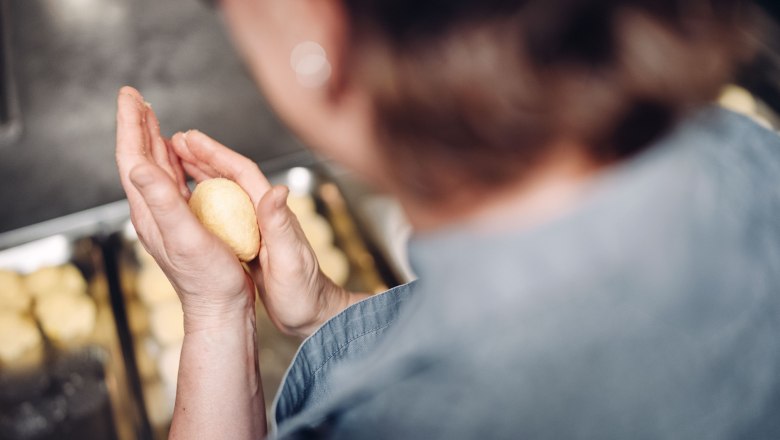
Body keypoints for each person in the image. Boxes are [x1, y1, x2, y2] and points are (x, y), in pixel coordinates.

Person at [115, 0, 780, 438]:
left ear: (321, 42)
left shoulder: (396, 423)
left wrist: (214, 312)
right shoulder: (740, 151)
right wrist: (328, 312)